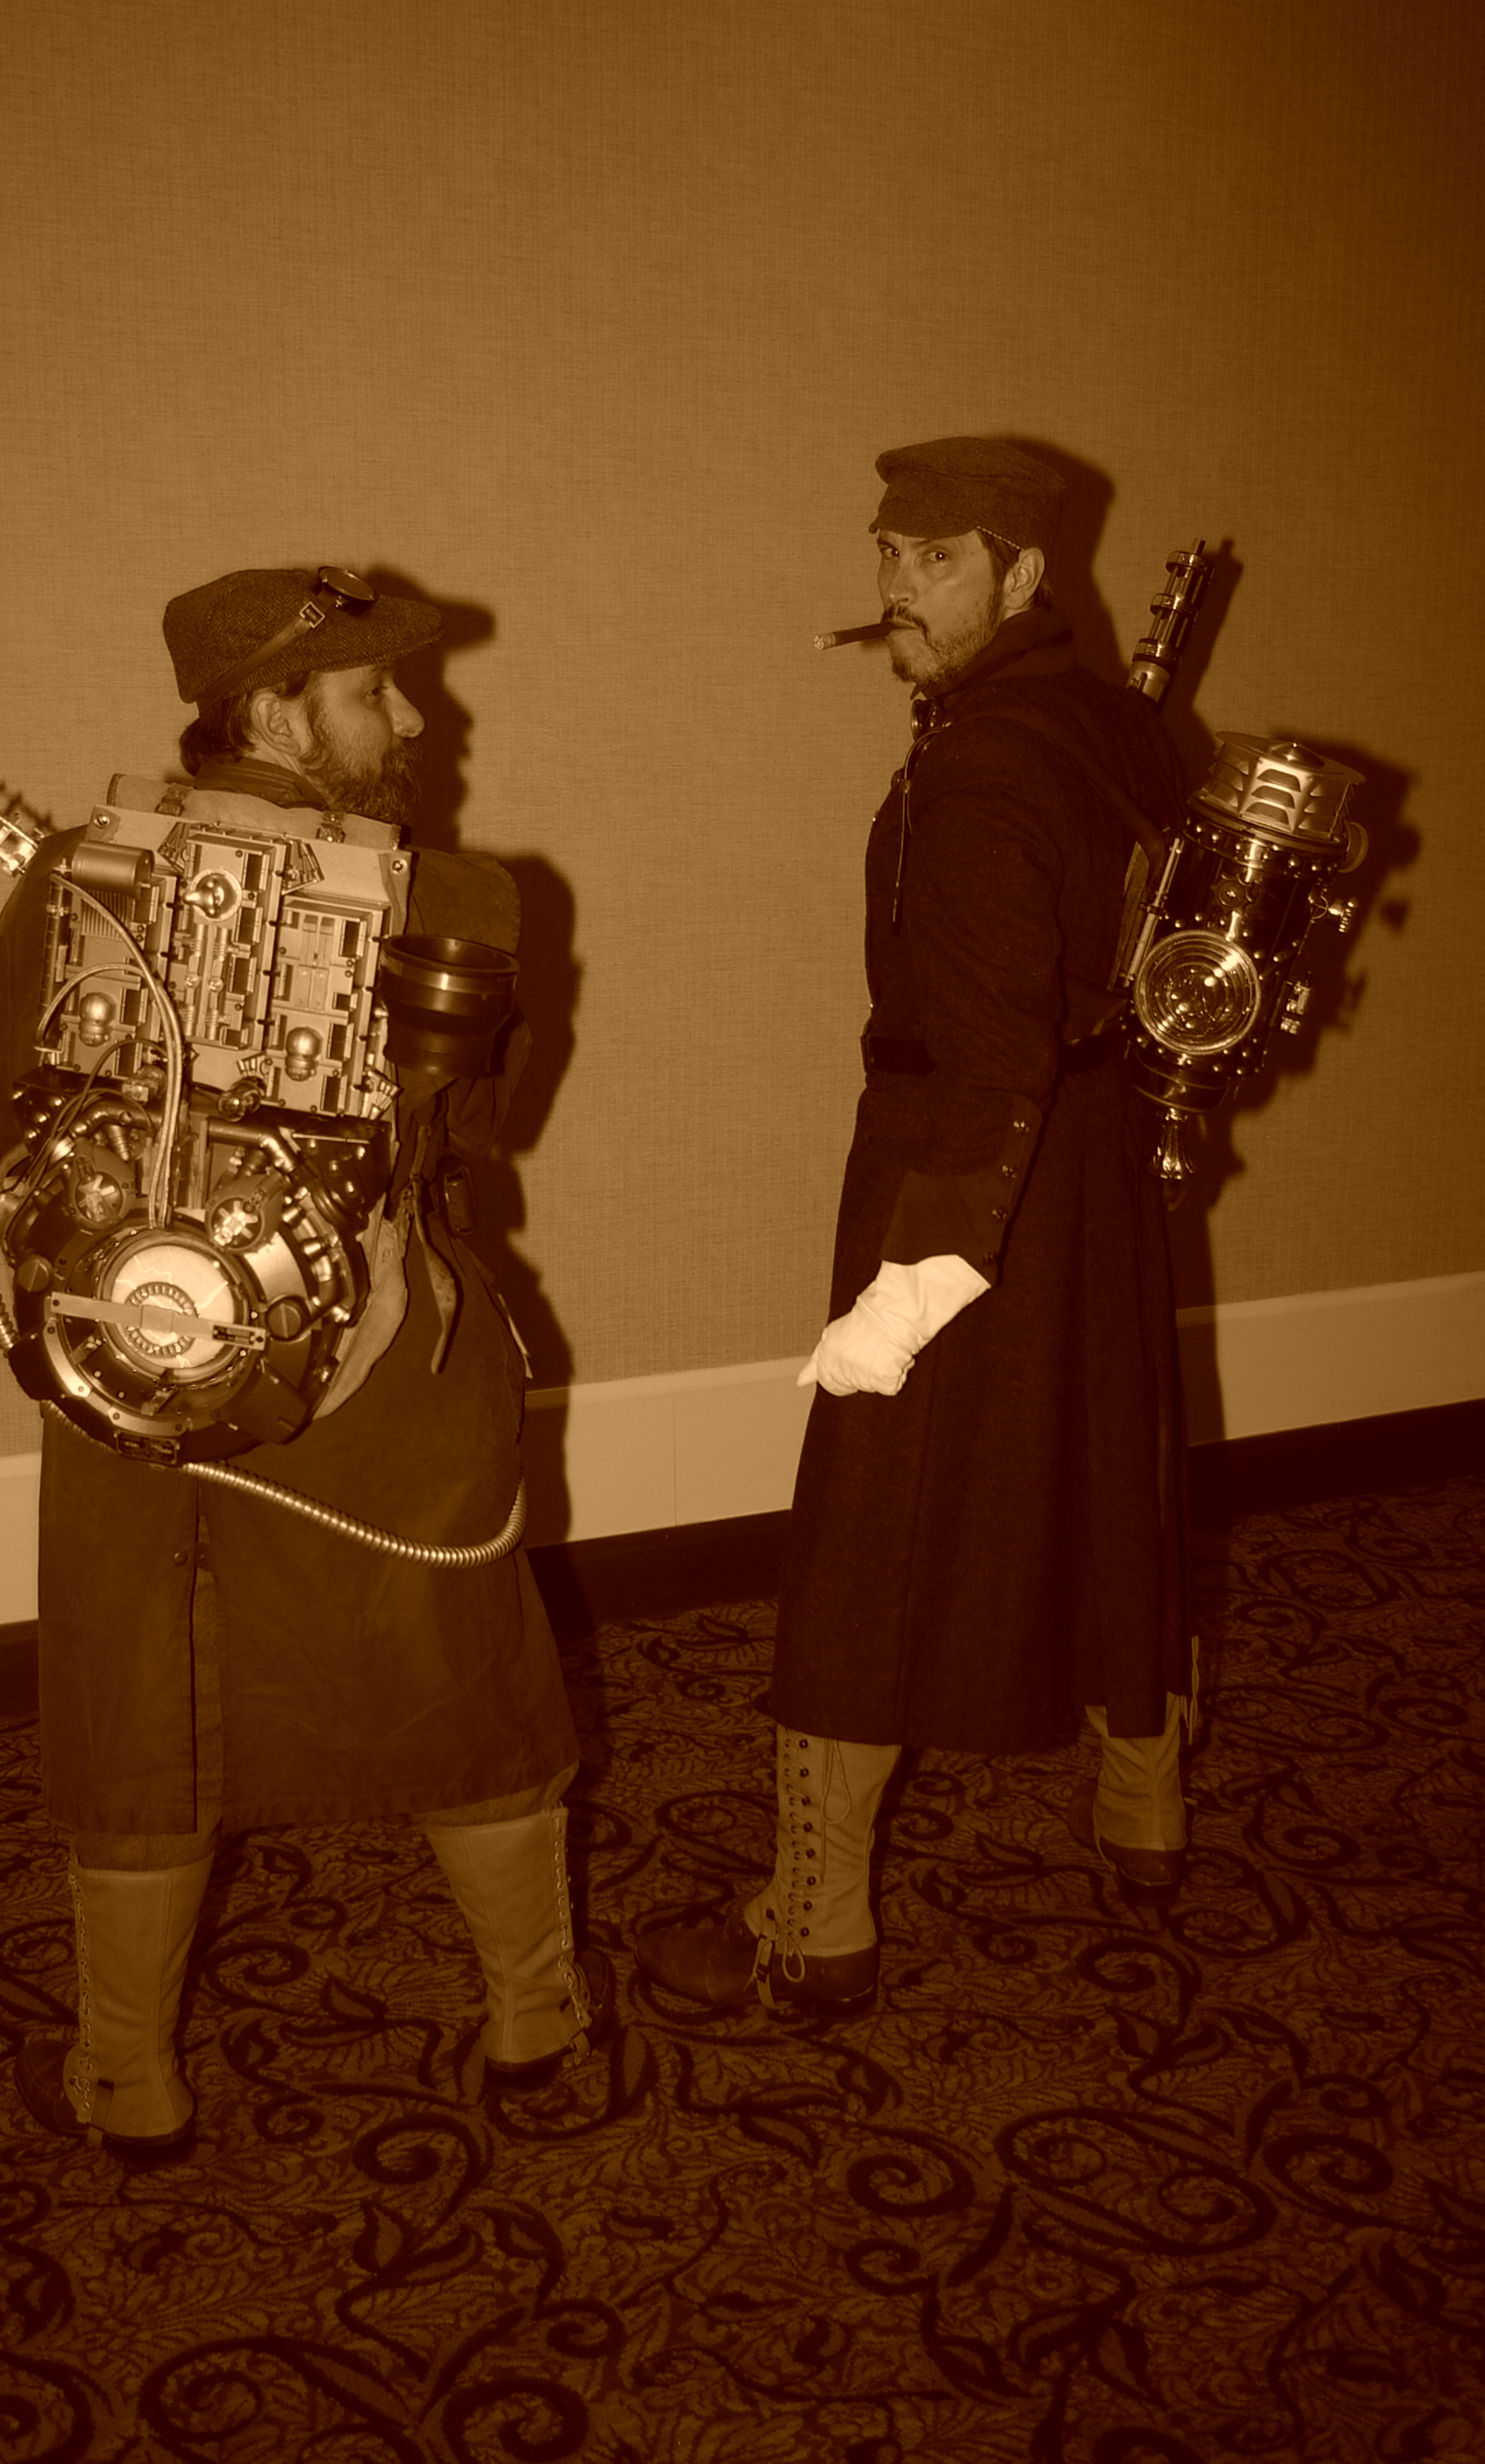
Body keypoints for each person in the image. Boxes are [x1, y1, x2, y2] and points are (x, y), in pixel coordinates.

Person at [0, 565, 609, 2157]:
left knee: (140, 1693)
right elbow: (485, 1133)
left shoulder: (81, 875)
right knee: (460, 1672)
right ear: (277, 710)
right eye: (374, 690)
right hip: (386, 1372)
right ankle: (534, 2018)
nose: (415, 718)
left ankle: (126, 2077)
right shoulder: (465, 897)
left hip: (132, 1369)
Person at [636, 439, 1193, 2014]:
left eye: (937, 559)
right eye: (889, 553)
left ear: (1024, 576)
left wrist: (915, 1283)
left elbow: (992, 1057)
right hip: (1095, 1161)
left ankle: (812, 1924)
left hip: (963, 1162)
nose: (897, 584)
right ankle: (1145, 1816)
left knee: (871, 1528)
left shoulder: (986, 767)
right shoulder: (1117, 725)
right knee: (1108, 1469)